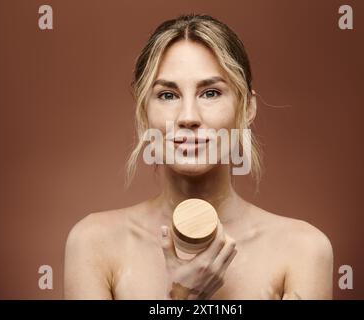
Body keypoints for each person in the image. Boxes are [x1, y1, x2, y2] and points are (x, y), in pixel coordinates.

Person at [64, 14, 333, 300]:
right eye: (168, 95)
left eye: (211, 93)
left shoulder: (303, 250)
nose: (189, 117)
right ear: (144, 112)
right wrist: (183, 298)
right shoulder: (94, 243)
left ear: (248, 109)